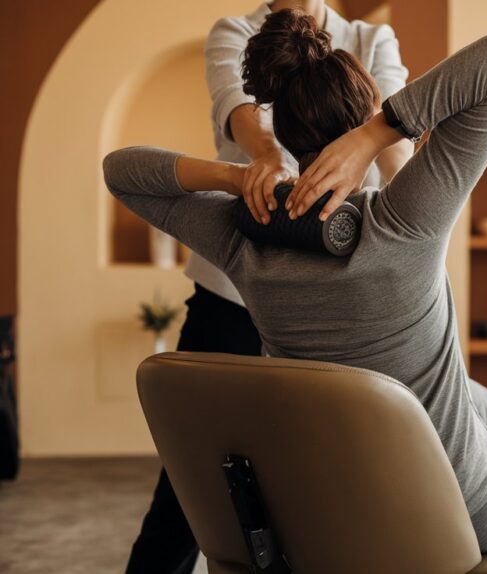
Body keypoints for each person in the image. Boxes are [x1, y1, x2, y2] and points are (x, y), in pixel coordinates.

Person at [105, 10, 487, 574]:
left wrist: (242, 175)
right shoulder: (406, 221)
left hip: (337, 521)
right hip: (475, 512)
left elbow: (122, 172)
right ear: (367, 115)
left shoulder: (245, 248)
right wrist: (375, 136)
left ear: (288, 134)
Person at [124, 2, 413, 572]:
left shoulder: (370, 37)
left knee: (337, 478)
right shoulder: (235, 30)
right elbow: (238, 109)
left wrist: (413, 217)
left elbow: (396, 133)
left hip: (341, 291)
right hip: (233, 288)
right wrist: (261, 163)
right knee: (194, 478)